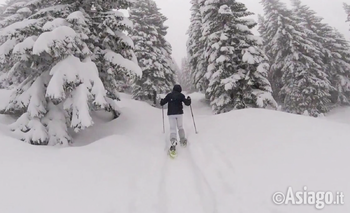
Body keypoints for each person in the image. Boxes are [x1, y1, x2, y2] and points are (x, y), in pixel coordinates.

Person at [160, 84, 191, 151]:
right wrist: (189, 99)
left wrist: (162, 101)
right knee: (180, 127)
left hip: (171, 114)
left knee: (173, 128)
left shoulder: (169, 95)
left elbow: (162, 103)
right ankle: (182, 140)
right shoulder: (181, 95)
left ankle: (173, 143)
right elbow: (187, 103)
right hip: (179, 113)